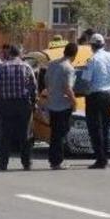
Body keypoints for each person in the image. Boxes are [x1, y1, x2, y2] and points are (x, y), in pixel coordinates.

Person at [0, 45, 37, 171]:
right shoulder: (26, 66)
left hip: (6, 104)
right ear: (20, 54)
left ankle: (3, 163)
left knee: (5, 135)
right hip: (23, 104)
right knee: (25, 135)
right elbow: (33, 86)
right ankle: (26, 162)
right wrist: (33, 102)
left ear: (10, 53)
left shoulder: (2, 67)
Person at [83, 33, 110, 169]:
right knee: (105, 128)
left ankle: (100, 159)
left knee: (95, 129)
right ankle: (104, 156)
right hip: (109, 96)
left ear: (92, 46)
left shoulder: (92, 59)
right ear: (103, 44)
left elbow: (86, 80)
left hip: (96, 96)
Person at [45, 42, 78, 170]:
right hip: (63, 106)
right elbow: (67, 88)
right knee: (60, 134)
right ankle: (57, 161)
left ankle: (53, 159)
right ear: (74, 54)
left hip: (52, 103)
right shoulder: (68, 68)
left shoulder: (52, 64)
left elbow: (46, 81)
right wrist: (74, 102)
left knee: (54, 134)